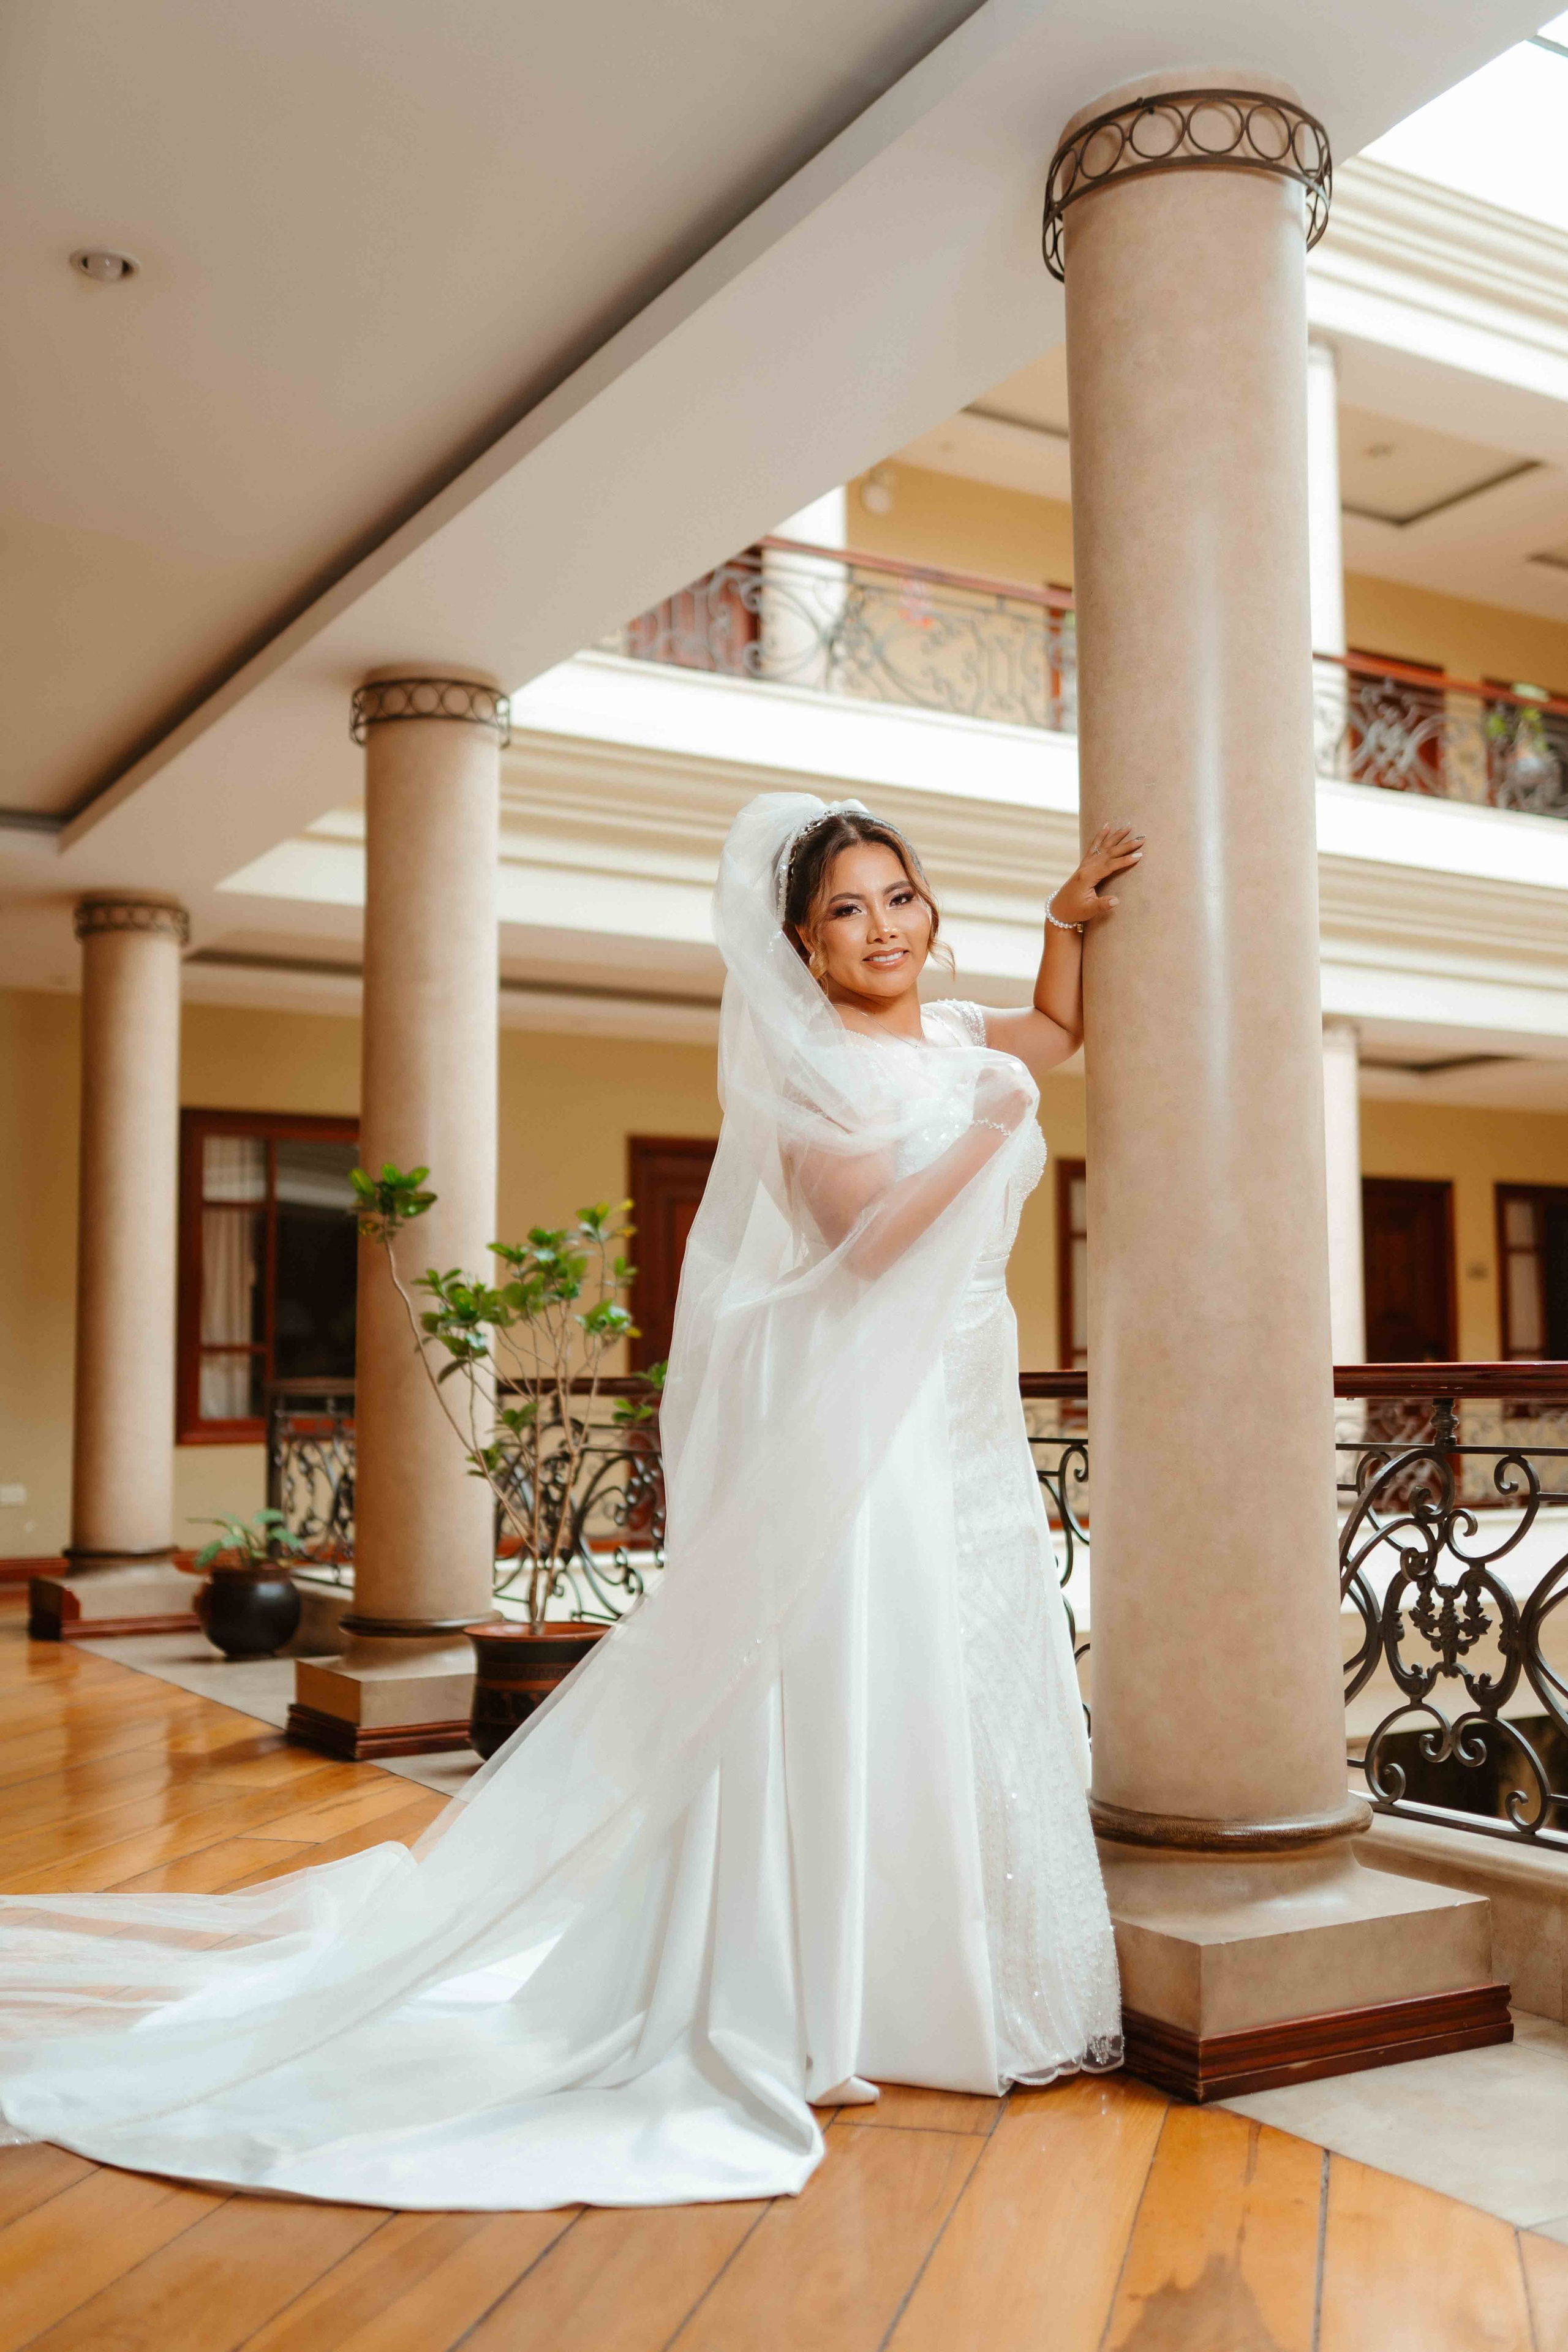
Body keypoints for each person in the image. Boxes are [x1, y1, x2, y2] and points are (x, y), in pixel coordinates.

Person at [0, 791, 1142, 2210]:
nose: (883, 930)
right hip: (861, 1420)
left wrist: (1062, 926)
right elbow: (862, 1245)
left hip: (957, 1415)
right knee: (863, 1671)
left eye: (899, 898)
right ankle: (842, 1996)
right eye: (847, 910)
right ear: (800, 941)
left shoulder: (962, 1042)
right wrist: (992, 1130)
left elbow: (1054, 1037)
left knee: (952, 1675)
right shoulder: (809, 1075)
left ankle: (957, 1980)